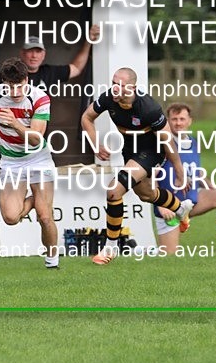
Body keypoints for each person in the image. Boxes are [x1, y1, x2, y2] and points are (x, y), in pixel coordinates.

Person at [81, 67, 191, 265]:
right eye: (114, 84)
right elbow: (86, 118)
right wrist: (95, 143)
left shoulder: (148, 108)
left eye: (120, 86)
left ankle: (110, 248)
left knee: (114, 190)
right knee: (146, 195)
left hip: (152, 150)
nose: (115, 89)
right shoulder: (108, 98)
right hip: (130, 150)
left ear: (132, 88)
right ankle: (181, 209)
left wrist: (179, 170)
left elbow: (167, 141)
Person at [0, 58, 61, 269]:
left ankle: (52, 261)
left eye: (20, 85)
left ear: (27, 80)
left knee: (44, 216)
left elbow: (36, 138)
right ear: (3, 82)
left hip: (38, 159)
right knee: (10, 217)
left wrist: (15, 123)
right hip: (11, 162)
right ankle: (36, 199)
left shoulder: (39, 98)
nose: (15, 91)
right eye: (10, 86)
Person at [153, 103, 216, 253]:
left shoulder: (193, 142)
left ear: (189, 121)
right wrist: (161, 205)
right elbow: (150, 176)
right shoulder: (161, 144)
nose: (178, 123)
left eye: (182, 119)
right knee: (168, 255)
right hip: (169, 206)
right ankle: (140, 251)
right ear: (167, 121)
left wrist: (211, 185)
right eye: (174, 119)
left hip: (191, 201)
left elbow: (196, 171)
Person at [0, 24, 101, 92]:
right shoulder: (8, 74)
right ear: (22, 53)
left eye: (38, 51)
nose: (34, 56)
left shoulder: (49, 72)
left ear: (44, 54)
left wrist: (89, 41)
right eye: (30, 51)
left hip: (38, 128)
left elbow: (76, 68)